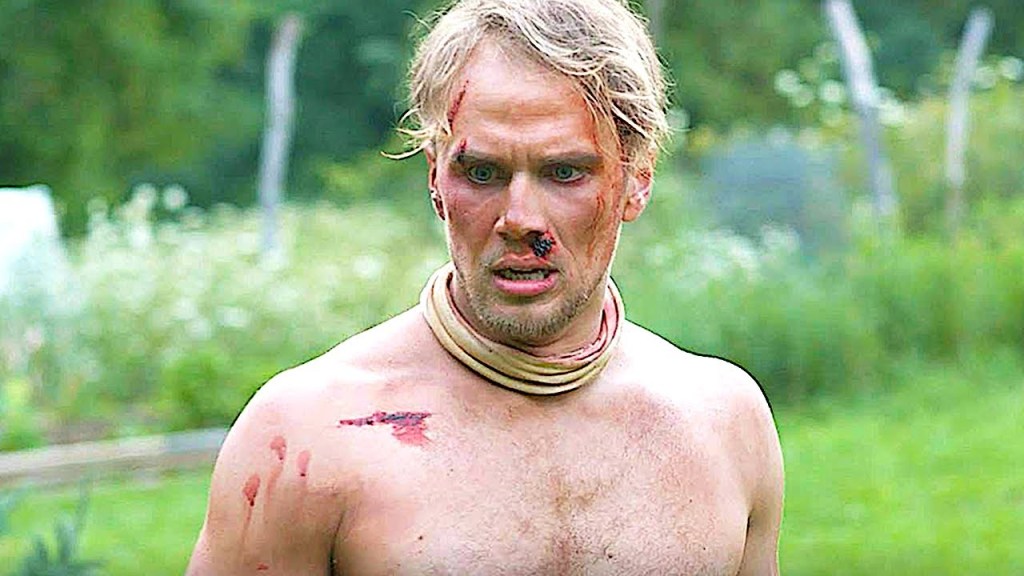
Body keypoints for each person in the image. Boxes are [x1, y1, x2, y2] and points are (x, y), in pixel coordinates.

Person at [186, 0, 784, 573]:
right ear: (435, 179)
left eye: (564, 172)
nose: (519, 219)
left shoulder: (724, 423)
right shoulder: (306, 439)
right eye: (482, 173)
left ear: (637, 180)